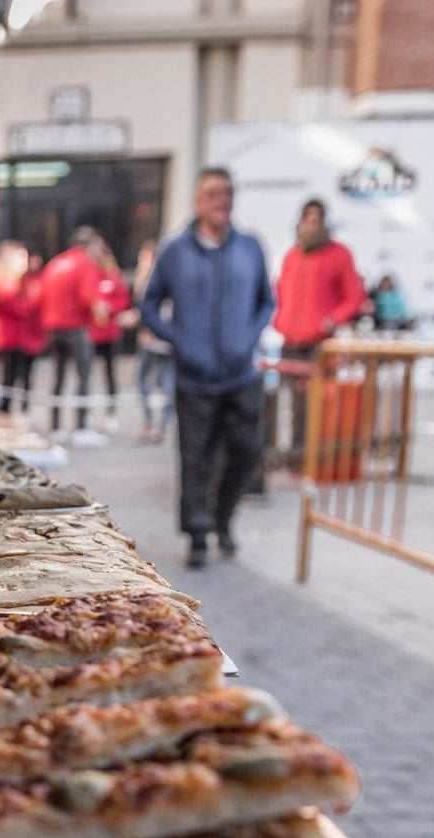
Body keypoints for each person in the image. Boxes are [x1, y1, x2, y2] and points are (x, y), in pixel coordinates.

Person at [140, 167, 275, 570]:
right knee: (195, 457)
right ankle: (198, 533)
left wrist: (248, 338)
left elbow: (266, 301)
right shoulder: (174, 250)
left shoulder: (250, 247)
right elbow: (149, 305)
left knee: (248, 450)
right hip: (194, 377)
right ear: (198, 202)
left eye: (228, 192)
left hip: (240, 373)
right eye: (214, 193)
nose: (223, 200)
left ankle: (224, 517)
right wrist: (181, 340)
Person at [274, 199, 366, 458]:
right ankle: (295, 455)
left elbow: (354, 297)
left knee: (318, 403)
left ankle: (316, 456)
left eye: (317, 220)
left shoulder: (339, 254)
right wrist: (279, 320)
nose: (312, 225)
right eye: (308, 219)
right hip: (291, 341)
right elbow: (281, 292)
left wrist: (333, 320)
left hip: (319, 344)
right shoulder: (292, 256)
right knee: (293, 405)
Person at [37, 226, 105, 440]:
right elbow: (88, 299)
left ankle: (55, 427)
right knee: (83, 376)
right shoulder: (85, 264)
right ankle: (81, 428)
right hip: (75, 327)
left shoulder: (56, 263)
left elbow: (42, 294)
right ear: (89, 244)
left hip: (53, 328)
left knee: (57, 378)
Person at [0, 241, 45, 414]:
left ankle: (13, 408)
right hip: (11, 337)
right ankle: (6, 409)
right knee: (10, 376)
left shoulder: (17, 282)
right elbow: (17, 309)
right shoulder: (7, 283)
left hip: (18, 336)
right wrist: (35, 300)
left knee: (16, 375)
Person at [87, 239, 131, 438]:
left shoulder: (113, 276)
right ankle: (86, 413)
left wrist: (110, 308)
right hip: (92, 330)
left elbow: (123, 300)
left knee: (111, 373)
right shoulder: (89, 275)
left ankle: (111, 414)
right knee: (87, 372)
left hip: (110, 331)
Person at [132, 240, 172, 442]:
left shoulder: (152, 277)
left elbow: (148, 308)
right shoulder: (171, 275)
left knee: (150, 380)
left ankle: (153, 424)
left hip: (156, 338)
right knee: (163, 382)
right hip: (165, 338)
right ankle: (159, 425)